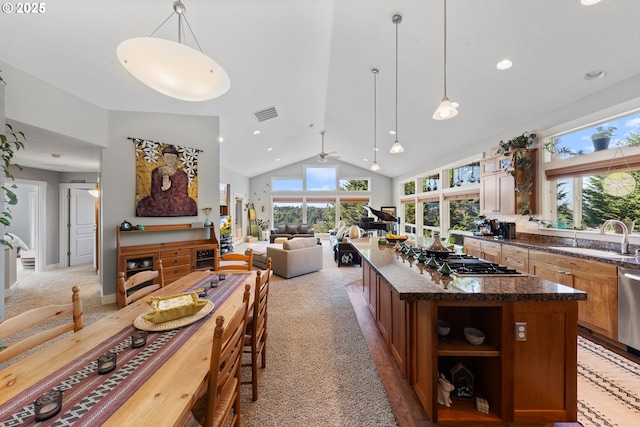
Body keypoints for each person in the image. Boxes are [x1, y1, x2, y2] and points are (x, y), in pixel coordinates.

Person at [136, 145, 197, 216]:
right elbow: (154, 192)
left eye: (173, 158)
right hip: (159, 200)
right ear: (163, 158)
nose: (170, 160)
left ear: (177, 159)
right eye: (167, 157)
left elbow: (183, 194)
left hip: (177, 202)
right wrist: (163, 189)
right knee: (143, 205)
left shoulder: (182, 174)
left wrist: (170, 195)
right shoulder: (156, 172)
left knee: (189, 205)